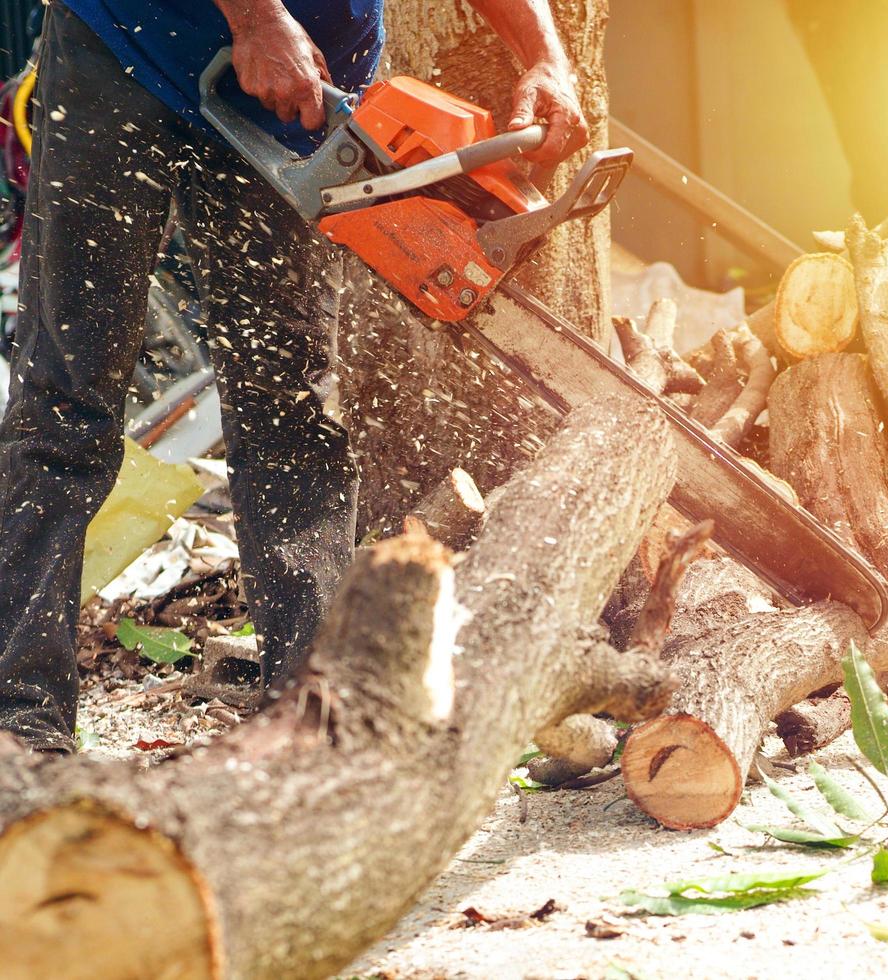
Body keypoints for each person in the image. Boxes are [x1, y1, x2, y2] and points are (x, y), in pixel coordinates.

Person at [0, 0, 588, 753]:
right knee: (69, 396)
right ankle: (22, 719)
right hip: (124, 41)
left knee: (291, 400)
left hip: (302, 83)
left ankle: (312, 719)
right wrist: (254, 17)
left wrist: (544, 55)